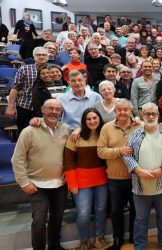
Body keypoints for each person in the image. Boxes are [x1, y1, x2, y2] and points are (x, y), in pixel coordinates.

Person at [11, 99, 70, 250]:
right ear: (42, 110)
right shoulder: (29, 131)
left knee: (57, 218)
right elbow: (17, 158)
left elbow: (72, 154)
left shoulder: (66, 129)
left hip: (60, 184)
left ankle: (54, 246)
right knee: (39, 220)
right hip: (37, 184)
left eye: (57, 109)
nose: (54, 112)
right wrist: (24, 182)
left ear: (61, 113)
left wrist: (77, 130)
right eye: (50, 108)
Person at [123, 102, 162, 250]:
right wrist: (138, 170)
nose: (151, 116)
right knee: (140, 219)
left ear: (158, 115)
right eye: (147, 113)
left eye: (154, 113)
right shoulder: (134, 134)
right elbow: (127, 156)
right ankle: (140, 246)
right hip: (141, 186)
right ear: (142, 115)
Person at [97, 99, 142, 250]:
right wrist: (119, 151)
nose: (122, 112)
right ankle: (118, 239)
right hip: (115, 178)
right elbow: (101, 151)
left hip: (136, 176)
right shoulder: (106, 128)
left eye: (126, 110)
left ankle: (134, 237)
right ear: (115, 112)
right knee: (116, 210)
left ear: (131, 111)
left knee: (137, 209)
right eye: (119, 110)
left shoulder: (140, 126)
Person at [64, 108, 110, 250]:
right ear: (84, 121)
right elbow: (68, 161)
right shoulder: (75, 137)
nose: (92, 121)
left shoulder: (105, 135)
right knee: (83, 213)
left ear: (99, 119)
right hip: (82, 182)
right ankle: (84, 241)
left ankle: (99, 239)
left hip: (102, 180)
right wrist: (72, 183)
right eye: (88, 119)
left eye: (94, 118)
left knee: (101, 210)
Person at [6, 47, 49, 132]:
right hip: (25, 107)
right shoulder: (24, 69)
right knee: (24, 135)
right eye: (38, 55)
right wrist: (11, 107)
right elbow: (15, 88)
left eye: (44, 55)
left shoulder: (53, 69)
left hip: (46, 109)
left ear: (48, 56)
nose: (41, 57)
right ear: (34, 57)